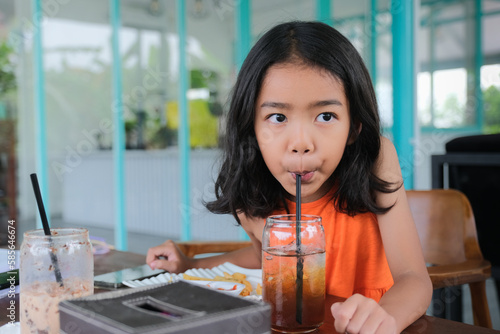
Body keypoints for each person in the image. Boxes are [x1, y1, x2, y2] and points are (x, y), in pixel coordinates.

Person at [147, 21, 432, 334]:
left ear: (354, 127)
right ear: (251, 127)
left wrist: (384, 317)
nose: (300, 143)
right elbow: (264, 257)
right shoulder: (252, 194)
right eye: (278, 118)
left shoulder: (376, 160)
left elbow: (414, 279)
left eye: (326, 116)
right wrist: (190, 265)